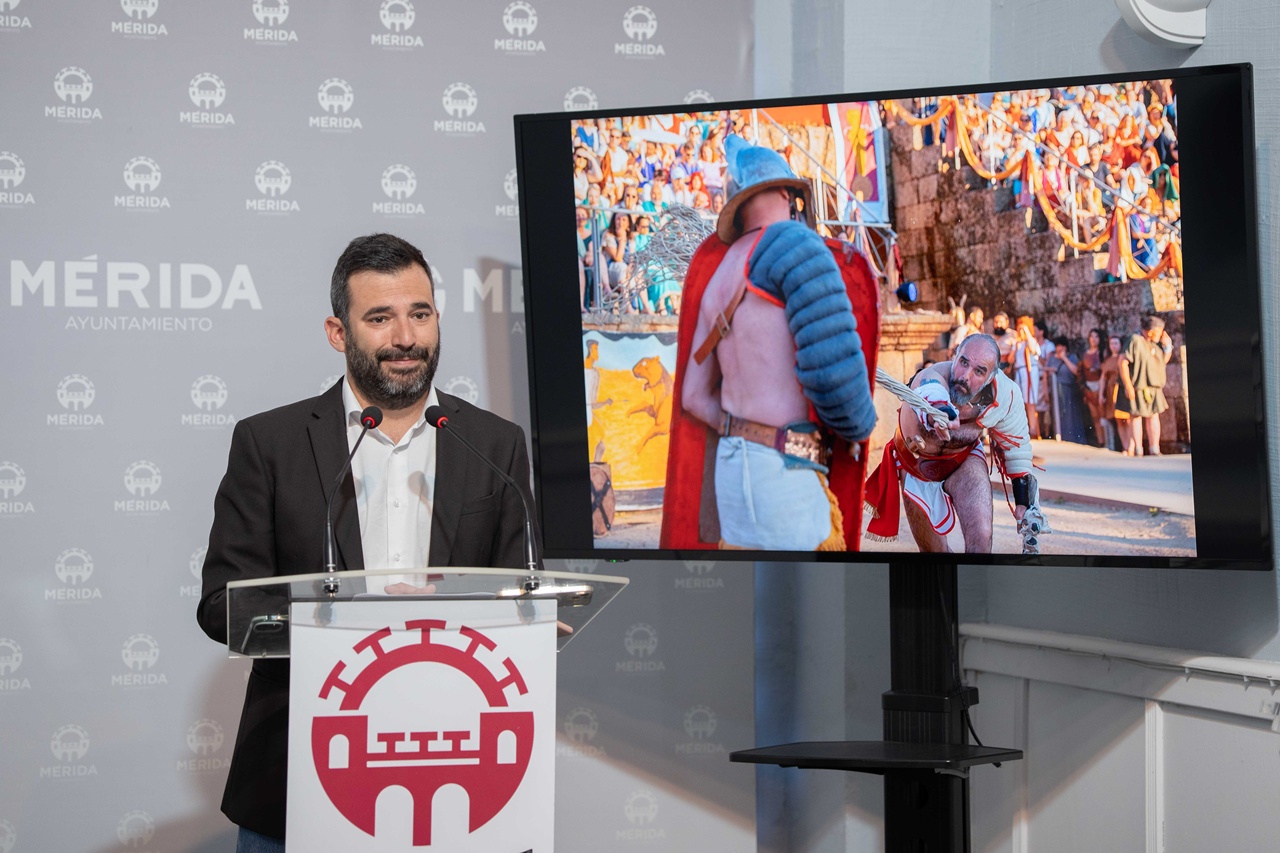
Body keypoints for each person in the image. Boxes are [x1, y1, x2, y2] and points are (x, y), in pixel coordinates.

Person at [196, 233, 538, 850]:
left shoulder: (495, 445)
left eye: (420, 314)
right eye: (380, 318)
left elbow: (521, 591)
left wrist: (529, 619)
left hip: (457, 768)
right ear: (338, 333)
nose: (405, 337)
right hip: (298, 771)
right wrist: (354, 616)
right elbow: (223, 604)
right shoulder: (269, 443)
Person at [660, 135, 878, 551]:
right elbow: (834, 375)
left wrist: (743, 429)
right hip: (785, 475)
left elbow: (693, 398)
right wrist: (858, 427)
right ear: (784, 192)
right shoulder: (795, 244)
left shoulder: (719, 273)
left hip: (731, 473)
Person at [864, 334, 1037, 552]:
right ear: (955, 356)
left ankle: (975, 576)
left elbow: (1017, 447)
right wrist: (941, 413)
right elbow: (930, 391)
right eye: (963, 362)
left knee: (981, 536)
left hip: (963, 461)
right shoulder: (932, 375)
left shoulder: (1006, 396)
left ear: (990, 377)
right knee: (934, 555)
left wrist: (1023, 501)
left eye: (979, 371)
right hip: (915, 464)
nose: (965, 376)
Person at [1116, 315, 1173, 456]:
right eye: (1159, 332)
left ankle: (1155, 448)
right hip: (1138, 386)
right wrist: (1128, 386)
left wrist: (1167, 347)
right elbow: (1122, 362)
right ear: (1151, 331)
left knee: (1154, 416)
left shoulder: (1154, 344)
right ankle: (1138, 449)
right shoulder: (1135, 340)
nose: (1161, 335)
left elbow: (1161, 362)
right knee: (1135, 417)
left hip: (1153, 386)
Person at [1011, 315, 1042, 440]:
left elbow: (1034, 350)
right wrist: (1015, 346)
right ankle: (1022, 429)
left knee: (1030, 401)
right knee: (1019, 401)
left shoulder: (1032, 341)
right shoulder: (1017, 343)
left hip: (1030, 371)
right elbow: (1011, 359)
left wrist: (1027, 334)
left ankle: (1033, 429)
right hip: (1019, 372)